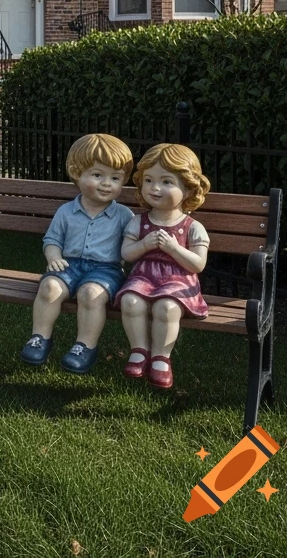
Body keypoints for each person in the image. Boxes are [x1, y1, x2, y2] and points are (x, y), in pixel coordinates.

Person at [19, 134, 134, 373]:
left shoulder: (124, 216)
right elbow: (52, 240)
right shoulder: (66, 212)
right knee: (49, 287)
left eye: (115, 178)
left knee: (91, 294)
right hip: (68, 265)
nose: (106, 183)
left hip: (106, 269)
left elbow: (131, 248)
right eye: (97, 175)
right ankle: (39, 337)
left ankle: (85, 346)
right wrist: (53, 257)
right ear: (76, 173)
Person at [116, 143, 211, 390]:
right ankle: (139, 351)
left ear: (189, 189)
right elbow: (125, 253)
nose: (155, 188)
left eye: (166, 182)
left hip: (179, 281)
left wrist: (174, 249)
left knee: (167, 307)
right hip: (144, 277)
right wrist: (145, 244)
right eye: (148, 180)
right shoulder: (139, 222)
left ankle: (161, 357)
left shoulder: (192, 227)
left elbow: (198, 264)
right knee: (130, 300)